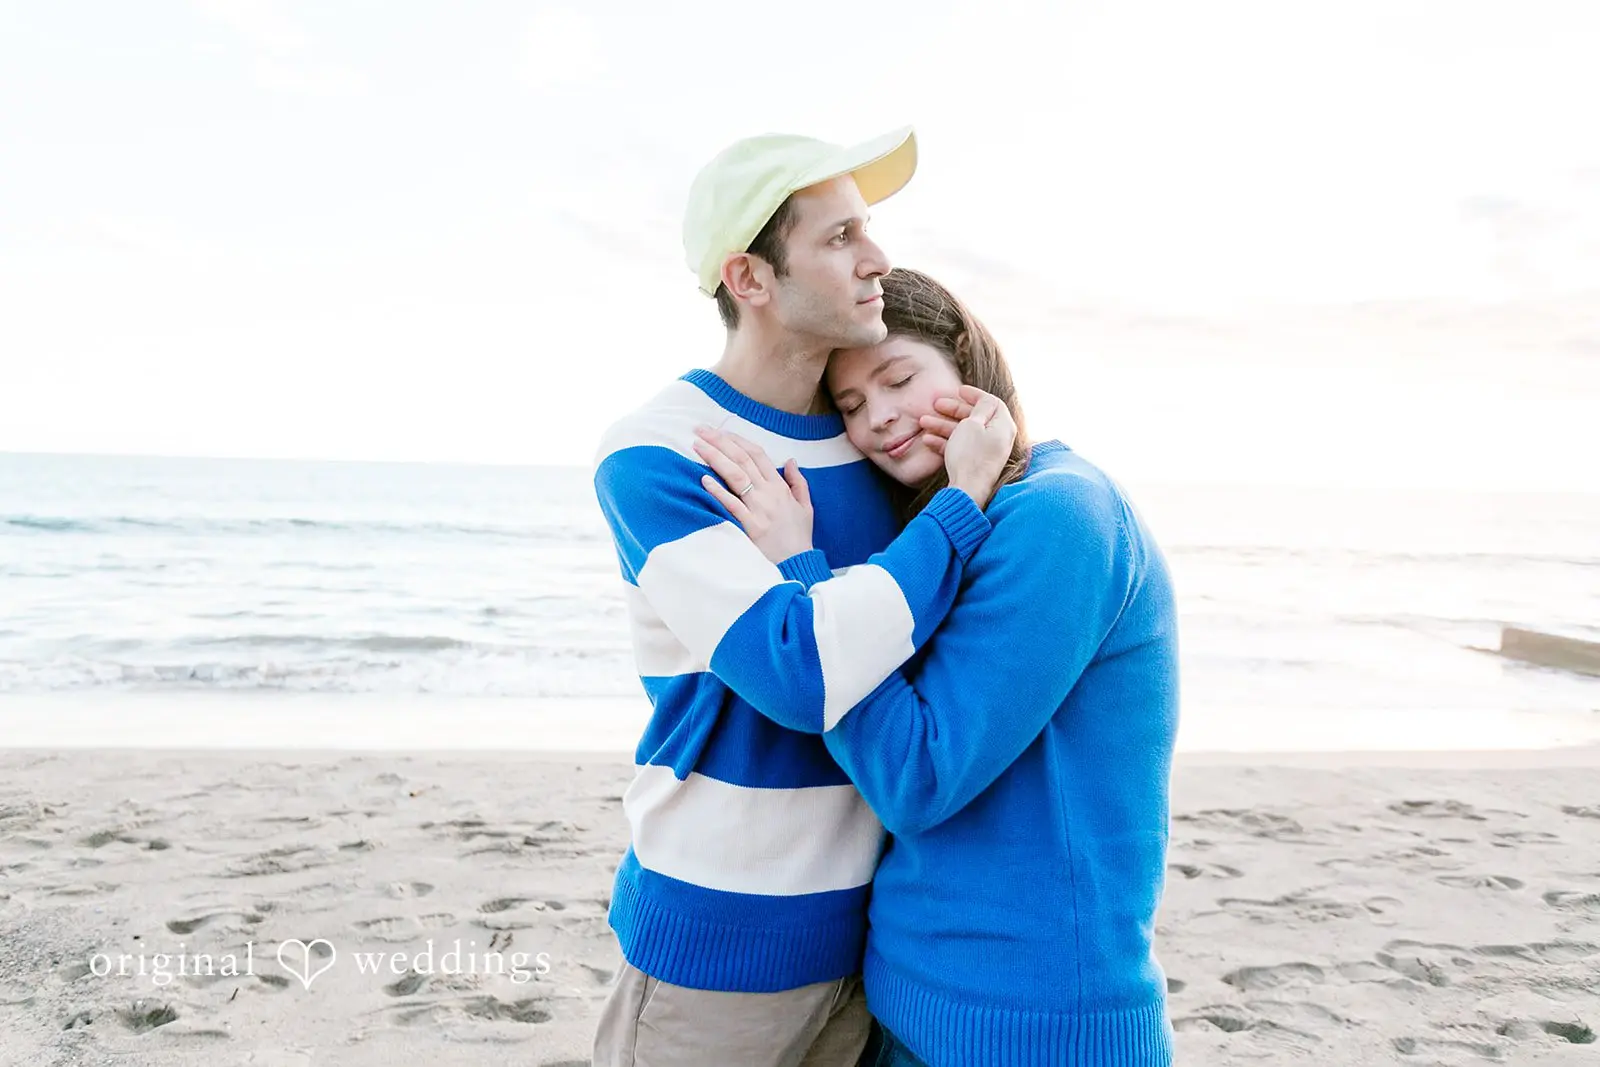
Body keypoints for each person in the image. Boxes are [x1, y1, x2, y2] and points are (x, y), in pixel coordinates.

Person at [589, 130, 1019, 1067]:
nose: (878, 260)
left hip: (871, 943)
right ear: (750, 278)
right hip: (718, 946)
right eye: (839, 239)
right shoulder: (663, 453)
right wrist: (956, 510)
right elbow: (800, 667)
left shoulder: (875, 440)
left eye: (869, 232)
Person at [693, 267, 1181, 1066]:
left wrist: (801, 575)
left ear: (967, 360)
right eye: (850, 406)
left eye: (899, 378)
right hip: (913, 1004)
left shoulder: (1061, 515)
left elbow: (916, 773)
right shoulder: (948, 533)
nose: (879, 417)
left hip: (1036, 1026)